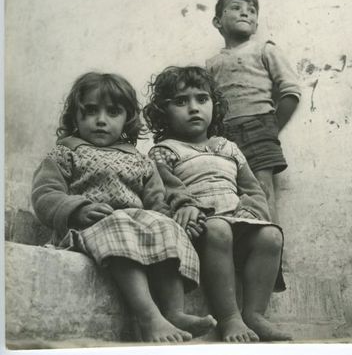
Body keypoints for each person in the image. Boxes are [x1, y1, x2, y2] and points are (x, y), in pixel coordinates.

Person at [31, 72, 216, 343]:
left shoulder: (140, 160)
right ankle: (148, 315)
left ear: (127, 118)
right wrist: (76, 209)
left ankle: (174, 311)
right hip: (90, 227)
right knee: (119, 224)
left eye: (113, 112)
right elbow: (45, 194)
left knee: (166, 226)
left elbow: (156, 201)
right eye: (91, 111)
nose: (101, 120)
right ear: (75, 117)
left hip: (135, 225)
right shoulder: (65, 152)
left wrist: (170, 222)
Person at [144, 66, 290, 343]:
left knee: (271, 235)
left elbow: (253, 189)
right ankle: (230, 318)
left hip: (240, 226)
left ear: (215, 104)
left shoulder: (228, 147)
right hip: (202, 232)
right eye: (180, 101)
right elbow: (168, 190)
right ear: (163, 112)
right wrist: (185, 209)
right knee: (219, 228)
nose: (193, 108)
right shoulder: (164, 151)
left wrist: (252, 208)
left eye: (202, 99)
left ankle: (255, 313)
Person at [206, 0, 301, 224]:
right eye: (236, 8)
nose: (245, 13)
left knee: (261, 189)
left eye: (252, 11)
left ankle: (273, 250)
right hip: (224, 134)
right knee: (229, 191)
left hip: (260, 127)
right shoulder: (211, 64)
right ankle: (245, 252)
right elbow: (208, 103)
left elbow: (290, 91)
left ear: (256, 25)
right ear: (218, 21)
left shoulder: (264, 49)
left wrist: (271, 128)